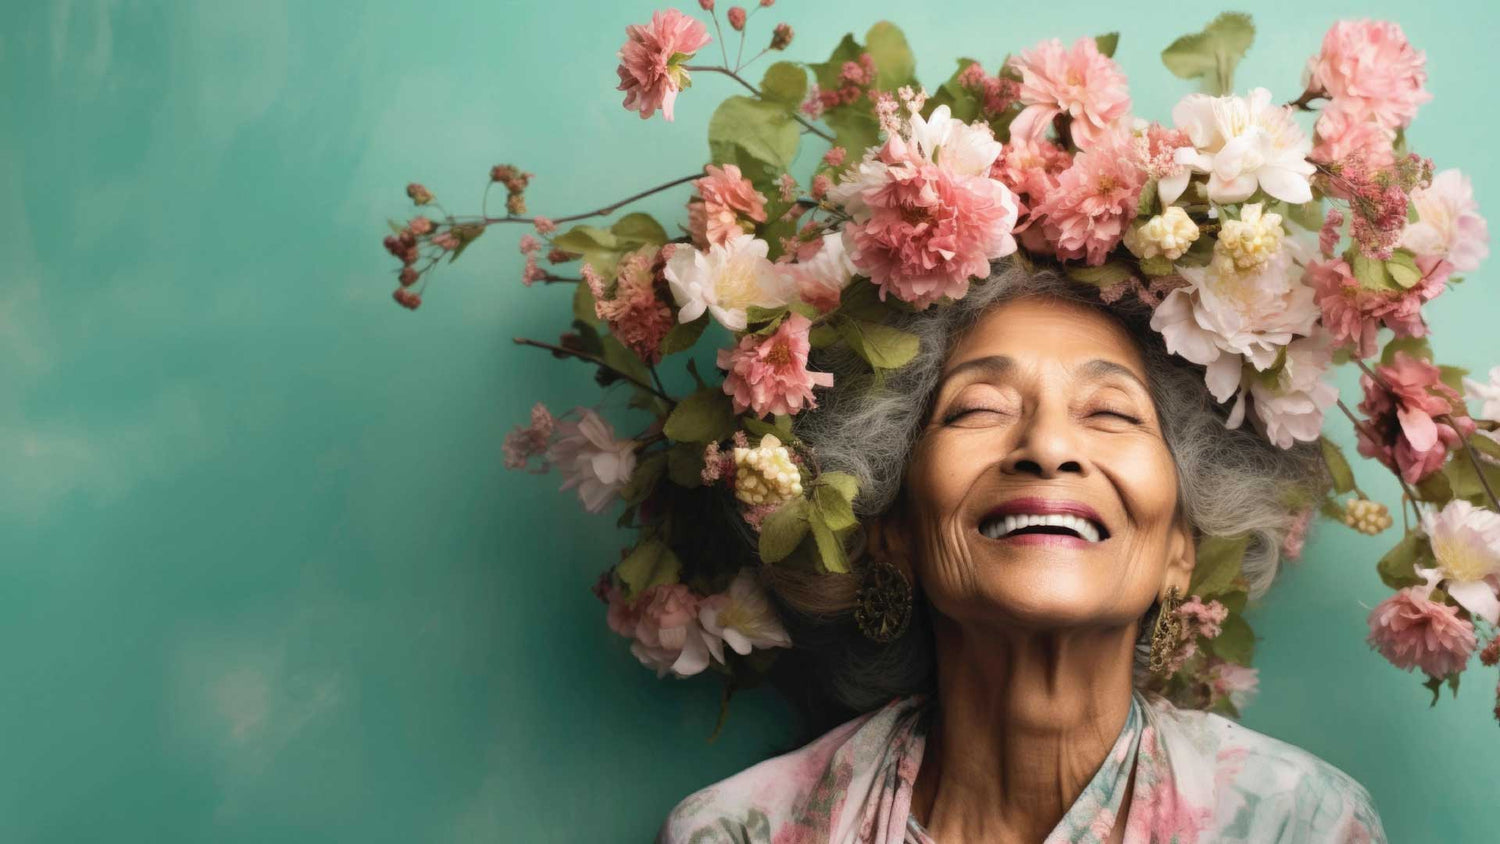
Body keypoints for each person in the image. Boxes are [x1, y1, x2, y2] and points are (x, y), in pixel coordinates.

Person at [656, 263, 1386, 843]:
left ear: (1179, 549)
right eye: (979, 409)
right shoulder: (738, 834)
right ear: (892, 530)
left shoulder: (1303, 826)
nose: (1048, 448)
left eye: (1110, 412)